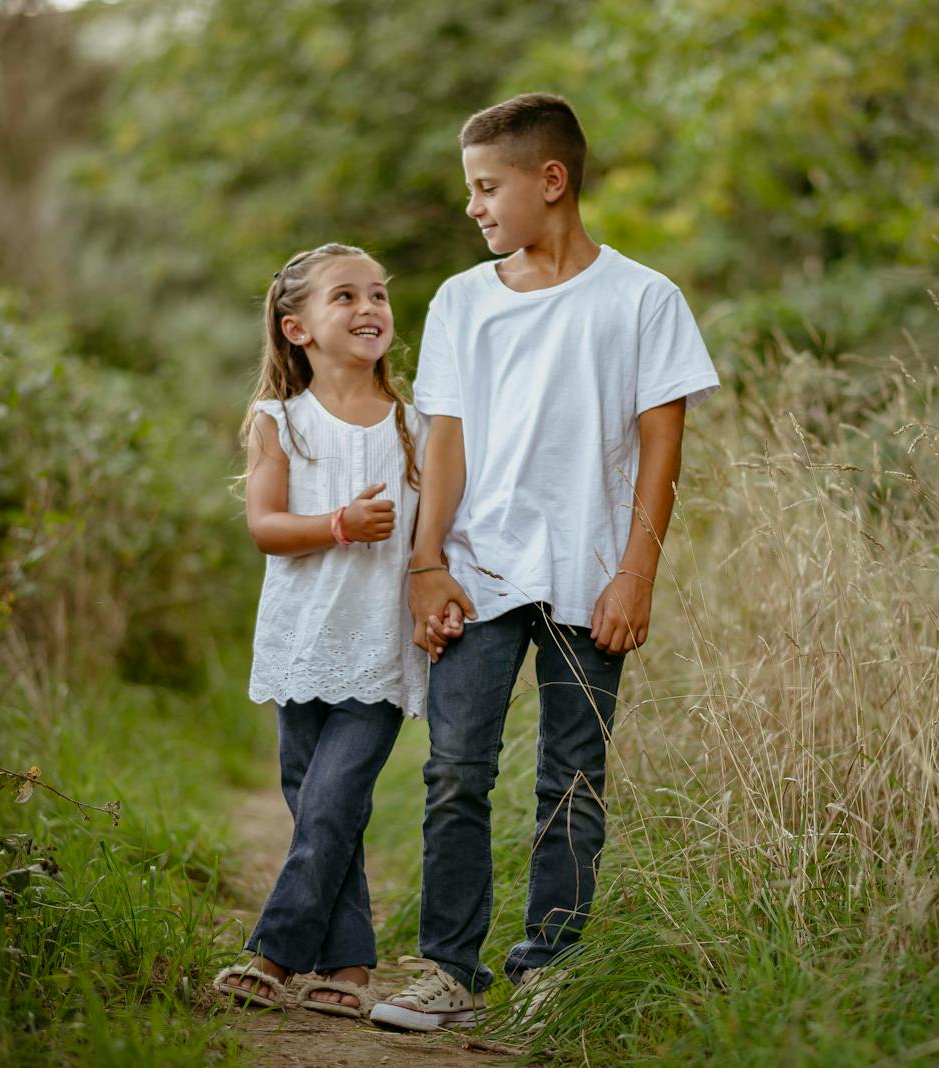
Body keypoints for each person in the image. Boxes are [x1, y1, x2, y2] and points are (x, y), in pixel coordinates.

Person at [369, 93, 719, 1033]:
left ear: (550, 181)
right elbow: (444, 441)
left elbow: (661, 447)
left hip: (590, 575)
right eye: (471, 190)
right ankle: (448, 968)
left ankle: (549, 971)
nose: (474, 207)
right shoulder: (461, 301)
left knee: (572, 776)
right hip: (479, 570)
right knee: (456, 772)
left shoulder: (643, 298)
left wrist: (636, 574)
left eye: (488, 187)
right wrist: (426, 562)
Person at [212, 242, 426, 1020]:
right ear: (296, 327)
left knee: (333, 802)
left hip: (378, 647)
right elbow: (266, 526)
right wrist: (338, 523)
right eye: (346, 297)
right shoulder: (280, 422)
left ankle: (271, 954)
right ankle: (351, 966)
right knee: (319, 809)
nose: (370, 308)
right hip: (301, 642)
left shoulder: (418, 422)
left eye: (378, 293)